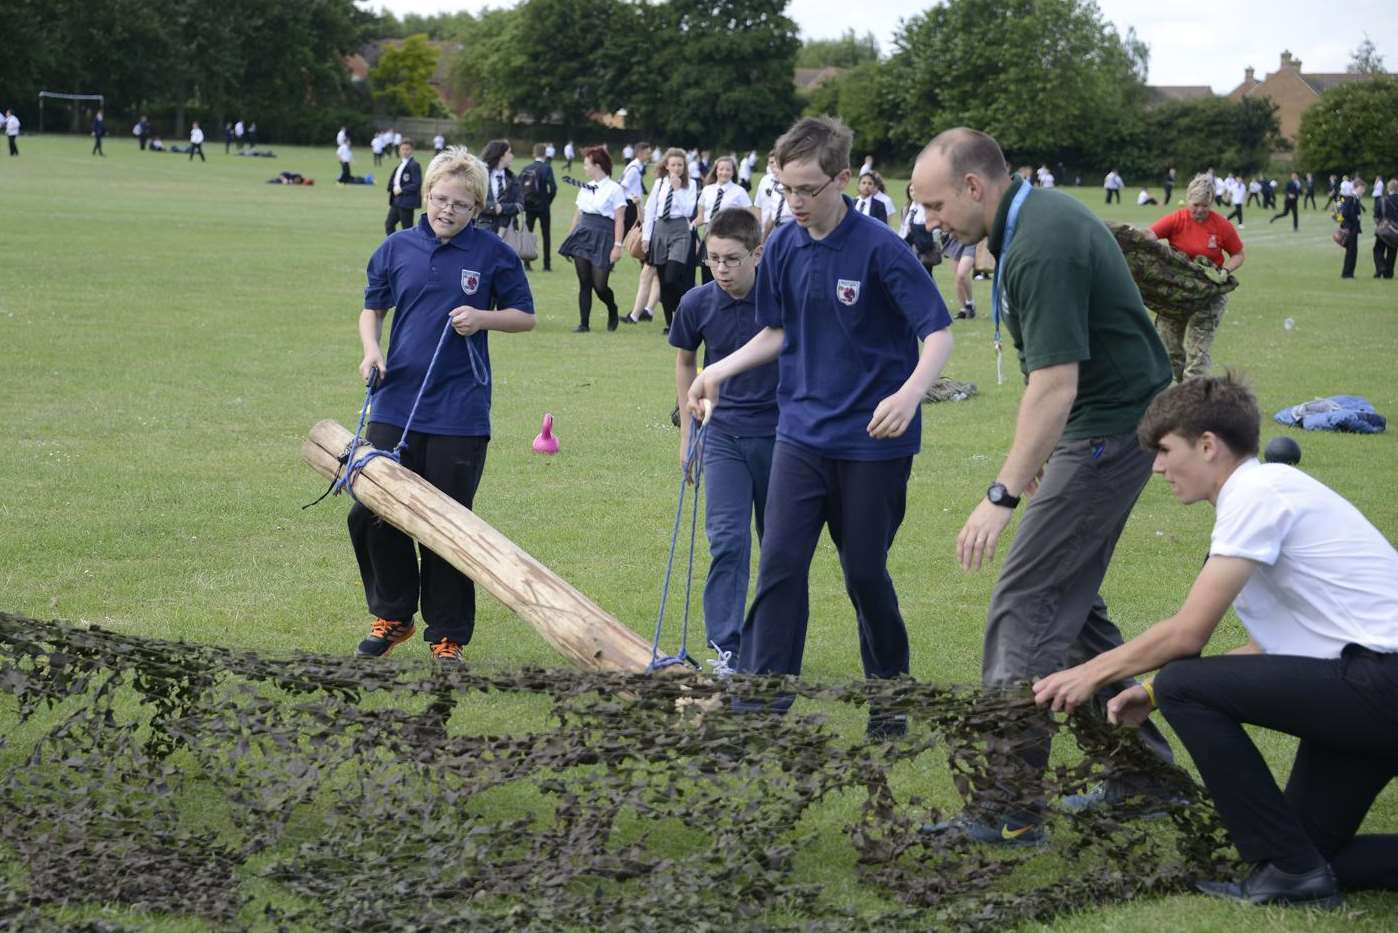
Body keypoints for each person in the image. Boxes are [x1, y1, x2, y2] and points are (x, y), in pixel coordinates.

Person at [1033, 373, 1398, 909]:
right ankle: (1296, 874)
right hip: (1367, 688)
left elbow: (1188, 635)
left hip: (1380, 685)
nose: (1156, 466)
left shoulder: (1256, 492)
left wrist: (1091, 672)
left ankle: (1291, 873)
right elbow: (1276, 648)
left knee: (1186, 682)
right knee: (1306, 853)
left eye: (1163, 450)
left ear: (1207, 446)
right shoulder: (1267, 493)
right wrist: (1151, 692)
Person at [911, 127, 1175, 845]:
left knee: (1025, 603)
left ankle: (1008, 806)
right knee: (1072, 607)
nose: (929, 220)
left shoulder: (1042, 243)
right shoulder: (1028, 223)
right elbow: (1051, 383)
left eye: (934, 204)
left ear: (974, 186)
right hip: (1096, 425)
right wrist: (1030, 463)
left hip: (1107, 431)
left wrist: (1000, 494)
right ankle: (1144, 778)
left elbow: (1056, 384)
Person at [685, 116, 955, 736]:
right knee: (780, 565)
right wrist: (715, 371)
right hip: (799, 436)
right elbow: (777, 333)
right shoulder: (781, 244)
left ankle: (890, 694)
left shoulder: (880, 247)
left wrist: (912, 393)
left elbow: (937, 332)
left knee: (864, 573)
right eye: (785, 190)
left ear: (842, 179)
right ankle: (760, 706)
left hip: (873, 444)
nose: (796, 203)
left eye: (808, 189)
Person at [352, 146, 536, 665]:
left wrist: (483, 318)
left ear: (476, 207)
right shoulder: (395, 247)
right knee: (371, 512)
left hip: (460, 409)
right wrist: (372, 351)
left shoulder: (493, 254)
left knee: (449, 525)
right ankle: (394, 615)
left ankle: (447, 634)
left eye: (459, 203)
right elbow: (373, 310)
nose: (446, 210)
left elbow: (525, 316)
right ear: (426, 196)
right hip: (396, 402)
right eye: (438, 199)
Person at [670, 208, 778, 662]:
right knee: (727, 542)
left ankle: (773, 645)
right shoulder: (697, 302)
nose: (721, 270)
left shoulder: (779, 299)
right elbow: (685, 363)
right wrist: (687, 432)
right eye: (713, 259)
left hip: (781, 437)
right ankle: (727, 649)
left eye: (731, 259)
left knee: (778, 549)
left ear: (757, 254)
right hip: (722, 437)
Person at [1143, 174, 1246, 381]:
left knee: (1197, 353)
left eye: (1205, 206)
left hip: (1209, 296)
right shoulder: (1176, 219)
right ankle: (1180, 392)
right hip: (1177, 294)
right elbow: (1148, 236)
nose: (1200, 210)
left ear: (1212, 203)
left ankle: (1193, 399)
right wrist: (1128, 237)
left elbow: (1238, 254)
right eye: (1196, 204)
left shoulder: (1221, 225)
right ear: (1188, 199)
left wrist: (1224, 271)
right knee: (1169, 349)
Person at [558, 146, 627, 332]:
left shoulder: (615, 189)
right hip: (583, 236)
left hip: (604, 237)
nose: (584, 168)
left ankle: (612, 308)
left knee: (600, 285)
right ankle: (584, 324)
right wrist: (570, 238)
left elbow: (619, 219)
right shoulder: (585, 188)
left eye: (587, 164)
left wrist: (618, 246)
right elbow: (578, 214)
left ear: (597, 165)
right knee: (584, 281)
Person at [642, 147, 701, 333]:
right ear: (666, 166)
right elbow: (650, 210)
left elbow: (687, 211)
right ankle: (670, 323)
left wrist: (676, 190)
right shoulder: (659, 183)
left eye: (680, 165)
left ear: (684, 167)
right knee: (662, 278)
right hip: (660, 230)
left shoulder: (690, 185)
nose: (676, 168)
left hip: (680, 231)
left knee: (672, 278)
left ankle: (683, 311)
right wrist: (646, 237)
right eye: (673, 164)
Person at [694, 155, 753, 284]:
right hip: (709, 236)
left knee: (723, 272)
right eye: (721, 169)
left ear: (733, 172)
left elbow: (749, 217)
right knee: (707, 271)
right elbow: (701, 216)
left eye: (728, 169)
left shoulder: (739, 191)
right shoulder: (707, 190)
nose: (724, 172)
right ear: (716, 170)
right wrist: (689, 226)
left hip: (729, 236)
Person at [518, 143, 558, 272]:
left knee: (528, 234)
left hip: (529, 206)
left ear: (534, 154)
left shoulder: (526, 168)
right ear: (545, 154)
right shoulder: (547, 168)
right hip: (543, 207)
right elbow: (553, 188)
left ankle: (526, 264)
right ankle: (546, 265)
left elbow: (518, 186)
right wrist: (547, 201)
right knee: (546, 235)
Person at [478, 139, 521, 236]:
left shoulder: (513, 179)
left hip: (509, 231)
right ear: (501, 155)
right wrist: (493, 207)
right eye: (509, 152)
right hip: (484, 229)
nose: (512, 156)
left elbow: (520, 205)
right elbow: (473, 202)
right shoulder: (481, 177)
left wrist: (501, 208)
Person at [384, 138, 422, 236]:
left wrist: (402, 190)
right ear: (399, 150)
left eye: (407, 149)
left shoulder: (414, 165)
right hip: (397, 201)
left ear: (412, 150)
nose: (405, 151)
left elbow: (417, 184)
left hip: (407, 202)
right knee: (389, 225)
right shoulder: (402, 164)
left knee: (407, 229)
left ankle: (409, 249)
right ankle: (393, 247)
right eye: (403, 149)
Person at [1340, 179, 1366, 280]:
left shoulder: (1355, 198)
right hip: (1351, 229)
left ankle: (1350, 273)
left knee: (1353, 252)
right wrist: (1355, 219)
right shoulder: (1351, 198)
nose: (1363, 191)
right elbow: (1345, 213)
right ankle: (1347, 274)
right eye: (1362, 188)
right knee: (1351, 252)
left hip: (1354, 229)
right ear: (1358, 187)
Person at [1374, 179, 1398, 280]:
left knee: (1378, 249)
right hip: (1396, 230)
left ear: (1388, 188)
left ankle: (1380, 268)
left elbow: (1376, 216)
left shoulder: (1382, 200)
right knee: (1392, 251)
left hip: (1383, 229)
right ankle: (1389, 273)